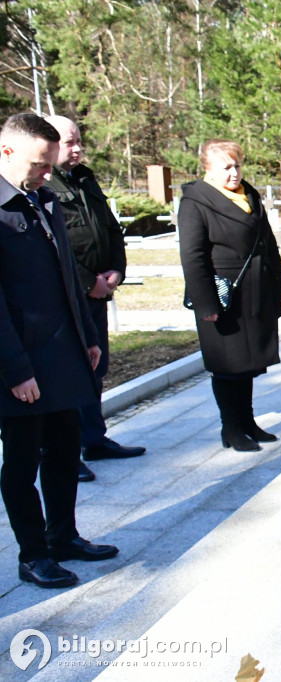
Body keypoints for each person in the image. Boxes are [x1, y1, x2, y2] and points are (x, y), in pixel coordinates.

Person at [0, 113, 119, 588]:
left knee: (66, 449)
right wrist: (15, 369)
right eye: (38, 164)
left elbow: (67, 274)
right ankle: (33, 554)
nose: (48, 173)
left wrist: (87, 337)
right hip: (20, 363)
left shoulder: (42, 200)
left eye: (50, 163)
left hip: (62, 353)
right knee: (23, 462)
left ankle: (63, 535)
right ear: (6, 151)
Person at [44, 116, 145, 483]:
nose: (77, 149)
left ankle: (94, 439)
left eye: (78, 141)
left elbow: (109, 229)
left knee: (94, 368)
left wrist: (117, 269)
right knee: (70, 372)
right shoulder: (43, 186)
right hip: (69, 295)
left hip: (99, 291)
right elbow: (55, 246)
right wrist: (88, 282)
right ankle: (66, 452)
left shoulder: (85, 178)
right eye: (69, 143)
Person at [178, 139, 281, 452]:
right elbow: (192, 255)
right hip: (222, 292)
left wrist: (279, 283)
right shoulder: (195, 201)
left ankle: (248, 422)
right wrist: (205, 303)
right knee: (227, 364)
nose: (234, 173)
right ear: (207, 169)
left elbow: (267, 243)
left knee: (248, 360)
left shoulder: (249, 194)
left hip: (255, 288)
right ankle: (231, 427)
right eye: (226, 167)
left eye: (237, 165)